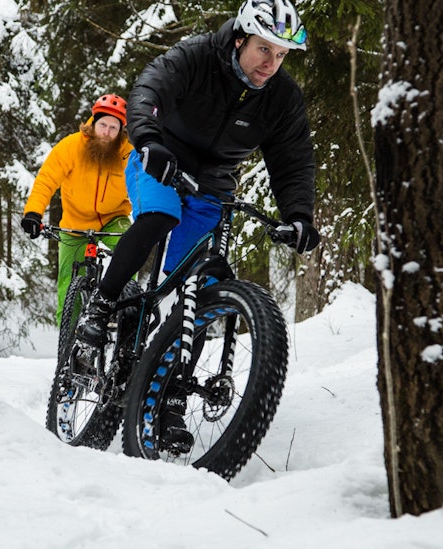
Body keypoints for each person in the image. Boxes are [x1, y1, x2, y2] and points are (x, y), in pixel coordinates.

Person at [72, 0, 321, 452]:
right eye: (264, 49)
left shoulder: (282, 97)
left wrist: (299, 215)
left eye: (282, 55)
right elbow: (150, 88)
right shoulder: (198, 55)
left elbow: (293, 160)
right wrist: (148, 138)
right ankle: (101, 306)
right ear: (241, 38)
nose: (271, 63)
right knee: (161, 214)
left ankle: (169, 398)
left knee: (196, 284)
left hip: (213, 186)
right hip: (157, 158)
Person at [21, 94, 133, 325]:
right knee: (67, 286)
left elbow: (142, 186)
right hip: (75, 222)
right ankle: (67, 346)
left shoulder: (128, 153)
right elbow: (46, 180)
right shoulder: (72, 146)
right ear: (93, 123)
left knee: (131, 247)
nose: (107, 132)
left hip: (115, 217)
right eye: (103, 124)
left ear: (121, 130)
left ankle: (125, 310)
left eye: (114, 127)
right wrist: (33, 213)